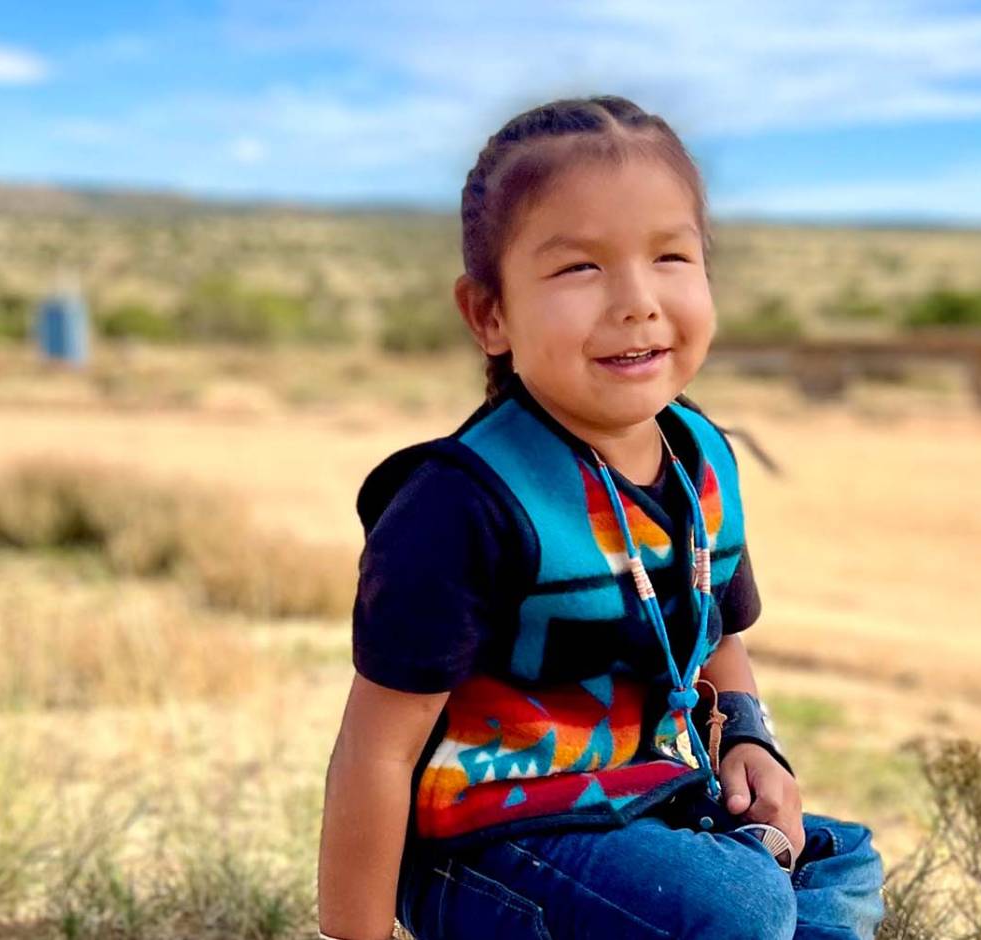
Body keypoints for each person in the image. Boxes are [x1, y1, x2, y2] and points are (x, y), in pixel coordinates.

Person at [317, 94, 886, 940]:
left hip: (647, 800)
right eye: (580, 268)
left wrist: (751, 744)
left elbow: (720, 639)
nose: (636, 301)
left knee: (845, 858)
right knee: (737, 907)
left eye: (670, 257)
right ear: (491, 315)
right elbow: (377, 751)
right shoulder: (464, 503)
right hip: (489, 839)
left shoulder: (703, 460)